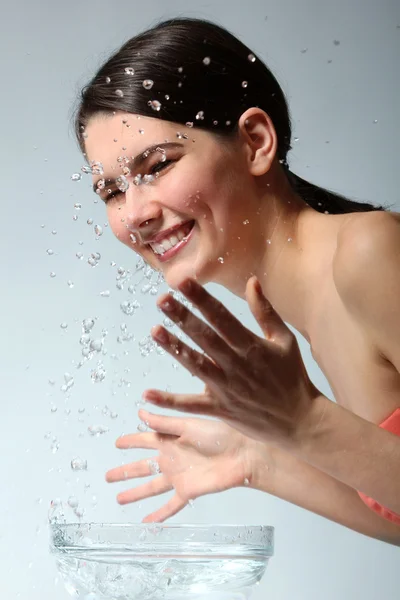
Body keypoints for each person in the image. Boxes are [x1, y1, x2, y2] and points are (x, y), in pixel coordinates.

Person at [74, 17, 400, 545]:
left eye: (157, 165)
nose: (133, 214)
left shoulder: (370, 253)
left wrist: (306, 424)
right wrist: (258, 457)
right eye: (112, 191)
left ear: (254, 141)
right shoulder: (315, 298)